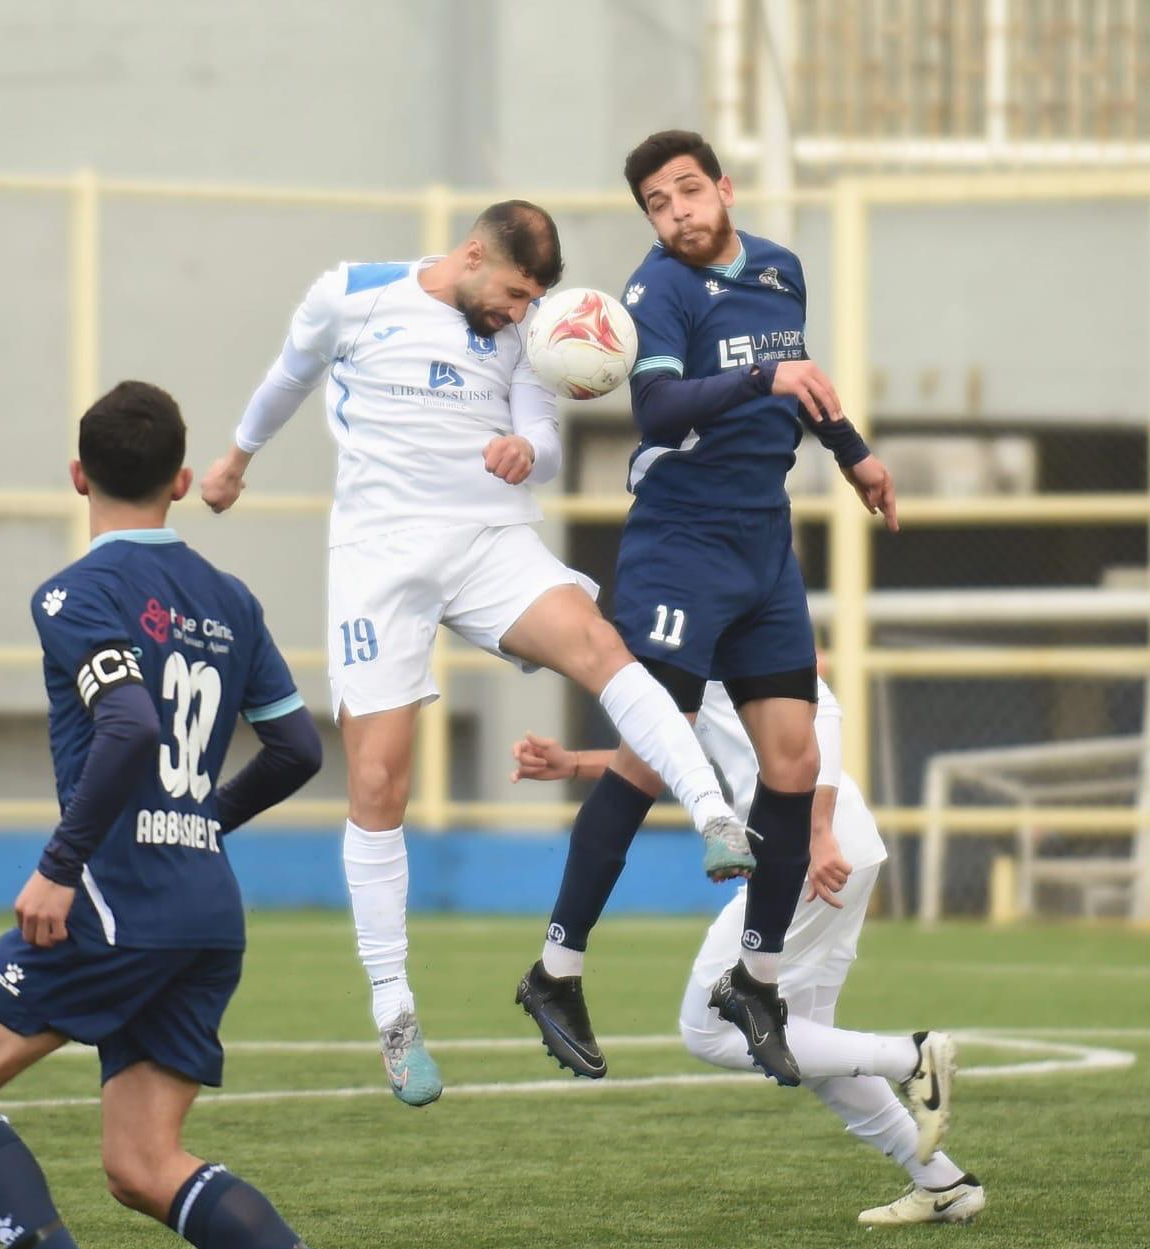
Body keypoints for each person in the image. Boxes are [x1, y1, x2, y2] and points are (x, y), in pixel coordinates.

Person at [201, 200, 754, 1108]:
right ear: (471, 256)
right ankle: (395, 1013)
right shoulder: (352, 295)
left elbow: (545, 442)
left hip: (487, 541)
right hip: (380, 558)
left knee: (600, 643)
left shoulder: (527, 333)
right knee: (378, 780)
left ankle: (713, 815)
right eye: (513, 292)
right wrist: (235, 460)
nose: (519, 311)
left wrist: (523, 450)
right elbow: (288, 376)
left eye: (532, 300)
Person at [0, 382, 410, 1249]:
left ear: (77, 476)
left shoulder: (73, 594)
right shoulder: (231, 600)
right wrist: (200, 824)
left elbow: (128, 723)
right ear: (180, 481)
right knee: (141, 1163)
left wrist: (60, 866)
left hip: (111, 901)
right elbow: (298, 749)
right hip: (205, 909)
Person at [516, 130, 898, 1090]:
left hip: (764, 545)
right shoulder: (658, 292)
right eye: (658, 203)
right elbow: (657, 412)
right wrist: (763, 377)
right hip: (681, 544)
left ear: (724, 188)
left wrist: (853, 453)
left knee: (794, 762)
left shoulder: (779, 270)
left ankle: (756, 981)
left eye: (689, 191)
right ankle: (557, 968)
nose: (677, 212)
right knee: (653, 753)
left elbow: (800, 381)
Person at [510, 673, 984, 1226]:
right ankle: (943, 1183)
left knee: (709, 1028)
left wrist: (817, 830)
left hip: (807, 853)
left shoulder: (720, 640)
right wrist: (573, 763)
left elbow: (823, 712)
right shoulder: (704, 650)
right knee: (810, 1046)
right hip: (836, 846)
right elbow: (668, 746)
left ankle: (912, 1057)